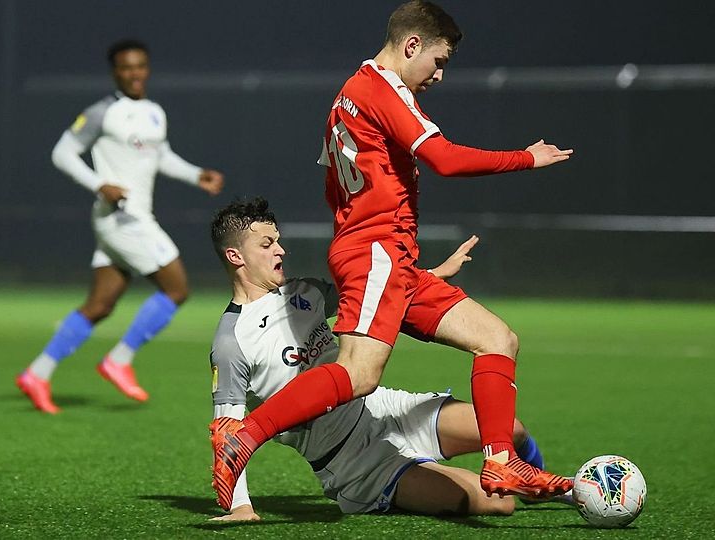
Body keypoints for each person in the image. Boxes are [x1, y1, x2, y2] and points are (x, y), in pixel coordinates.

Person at [211, 1, 573, 510]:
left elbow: (338, 186)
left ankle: (500, 460)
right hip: (376, 251)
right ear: (411, 45)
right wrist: (526, 158)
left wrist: (399, 261)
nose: (439, 75)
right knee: (360, 374)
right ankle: (245, 436)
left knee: (497, 339)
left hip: (388, 257)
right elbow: (444, 158)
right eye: (439, 61)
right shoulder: (381, 89)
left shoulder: (347, 97)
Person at [209, 198, 564, 518]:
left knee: (510, 429)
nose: (280, 251)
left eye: (278, 241)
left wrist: (433, 275)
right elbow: (228, 433)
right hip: (352, 461)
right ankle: (412, 481)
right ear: (236, 256)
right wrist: (241, 506)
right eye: (267, 244)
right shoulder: (231, 342)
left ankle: (539, 485)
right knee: (498, 504)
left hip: (386, 410)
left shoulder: (305, 292)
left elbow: (375, 295)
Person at [16, 39, 225, 414]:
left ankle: (37, 373)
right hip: (122, 217)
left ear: (147, 68)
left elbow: (160, 156)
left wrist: (197, 175)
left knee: (100, 305)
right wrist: (100, 184)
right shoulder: (102, 112)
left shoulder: (154, 112)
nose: (135, 73)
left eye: (140, 66)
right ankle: (119, 360)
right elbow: (62, 153)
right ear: (115, 72)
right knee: (177, 289)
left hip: (130, 218)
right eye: (127, 67)